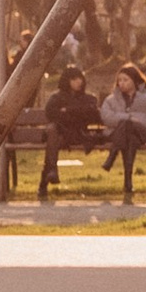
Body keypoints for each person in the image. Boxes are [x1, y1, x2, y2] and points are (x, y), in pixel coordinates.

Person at [99, 61, 146, 204]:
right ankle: (128, 182)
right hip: (123, 135)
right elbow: (107, 118)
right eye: (119, 80)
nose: (121, 83)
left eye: (125, 80)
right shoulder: (111, 100)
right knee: (128, 132)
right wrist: (129, 118)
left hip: (143, 134)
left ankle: (112, 156)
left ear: (134, 81)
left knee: (129, 126)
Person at [36, 64, 105, 200]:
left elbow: (91, 115)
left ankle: (49, 175)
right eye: (74, 79)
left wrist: (67, 111)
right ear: (66, 81)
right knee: (52, 130)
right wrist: (74, 112)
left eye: (80, 78)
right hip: (60, 135)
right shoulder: (56, 98)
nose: (79, 81)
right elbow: (52, 114)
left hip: (78, 136)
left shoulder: (88, 98)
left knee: (52, 138)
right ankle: (51, 171)